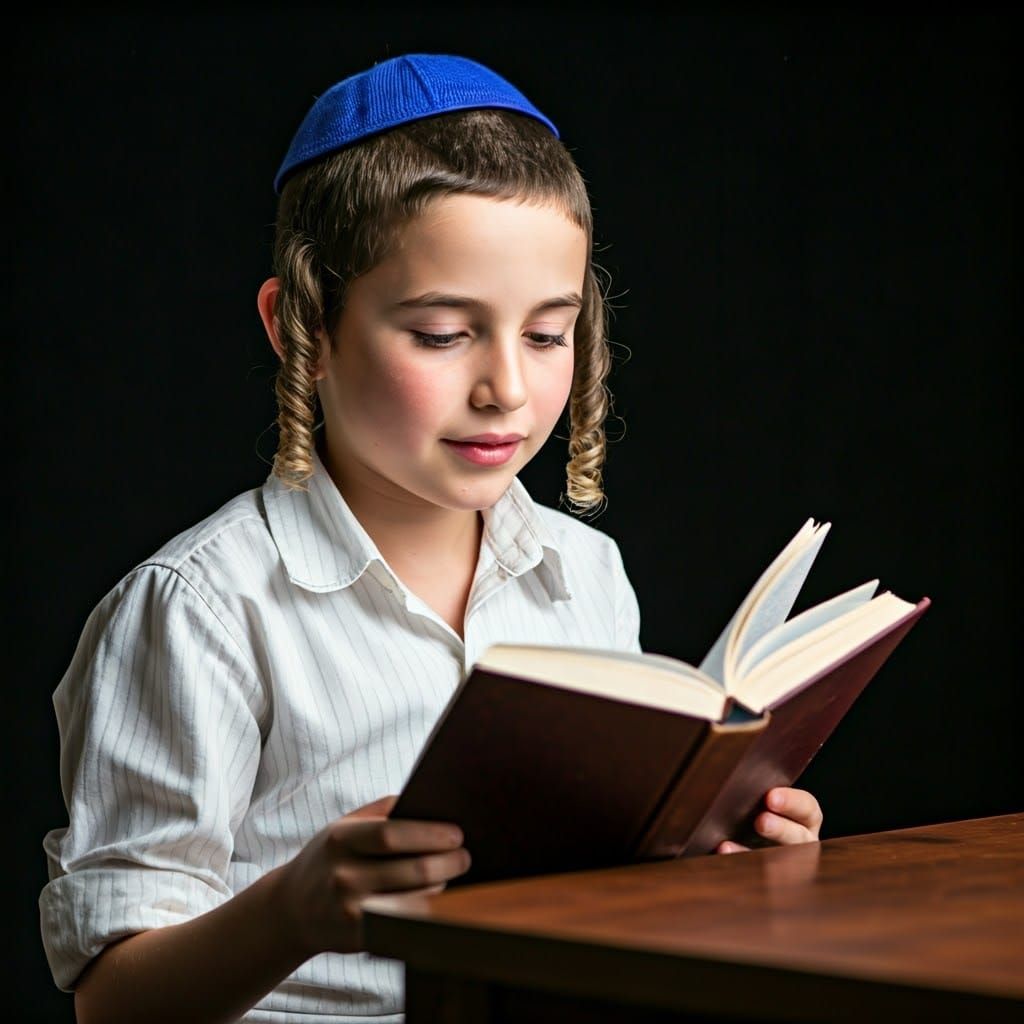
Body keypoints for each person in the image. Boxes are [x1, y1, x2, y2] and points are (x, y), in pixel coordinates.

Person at [40, 53, 824, 1024]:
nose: (504, 387)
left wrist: (714, 842)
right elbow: (113, 1001)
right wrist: (290, 910)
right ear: (303, 329)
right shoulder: (200, 609)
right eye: (444, 332)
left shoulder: (587, 576)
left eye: (546, 334)